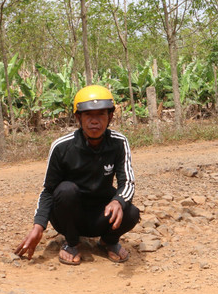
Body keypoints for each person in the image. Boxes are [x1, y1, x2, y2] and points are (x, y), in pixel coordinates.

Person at [15, 85, 140, 265]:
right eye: (88, 115)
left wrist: (118, 201)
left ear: (110, 117)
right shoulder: (61, 147)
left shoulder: (119, 143)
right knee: (66, 189)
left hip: (101, 216)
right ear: (78, 117)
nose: (95, 121)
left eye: (101, 114)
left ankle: (108, 241)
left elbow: (127, 182)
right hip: (69, 217)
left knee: (131, 212)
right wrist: (38, 226)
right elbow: (48, 191)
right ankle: (71, 243)